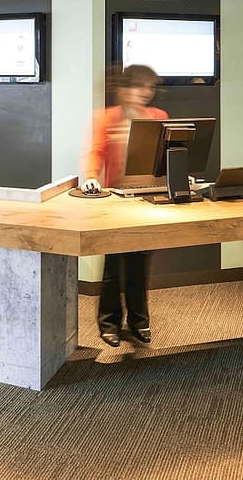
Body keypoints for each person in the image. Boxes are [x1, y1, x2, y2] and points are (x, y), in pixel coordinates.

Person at [82, 64, 168, 347]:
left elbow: (165, 154)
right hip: (116, 201)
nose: (145, 92)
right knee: (113, 266)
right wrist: (91, 176)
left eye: (150, 87)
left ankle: (138, 322)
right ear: (124, 88)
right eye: (139, 85)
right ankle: (109, 323)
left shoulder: (159, 117)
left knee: (139, 264)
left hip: (146, 198)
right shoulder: (106, 118)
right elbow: (96, 152)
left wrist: (177, 172)